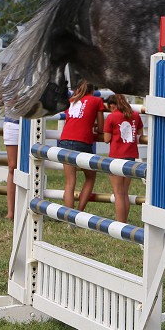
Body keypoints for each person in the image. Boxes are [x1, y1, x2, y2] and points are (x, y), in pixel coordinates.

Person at [58, 80, 105, 211]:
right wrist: (94, 126)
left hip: (65, 139)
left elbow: (75, 120)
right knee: (90, 177)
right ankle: (79, 212)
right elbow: (101, 128)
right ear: (93, 90)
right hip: (82, 141)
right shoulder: (97, 101)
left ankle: (69, 218)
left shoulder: (72, 100)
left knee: (69, 182)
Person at [103, 92, 144, 224]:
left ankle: (121, 223)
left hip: (116, 157)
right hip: (130, 156)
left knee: (118, 193)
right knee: (124, 193)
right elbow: (140, 133)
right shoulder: (135, 115)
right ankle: (124, 221)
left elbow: (106, 139)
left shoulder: (112, 117)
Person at [1, 116, 20, 222]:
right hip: (13, 123)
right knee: (12, 167)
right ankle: (11, 212)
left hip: (32, 123)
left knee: (29, 167)